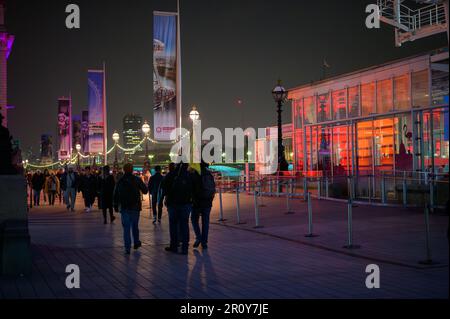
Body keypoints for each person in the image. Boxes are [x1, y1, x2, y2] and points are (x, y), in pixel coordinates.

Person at [161, 163, 199, 255]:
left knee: (173, 225)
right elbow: (195, 189)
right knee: (184, 225)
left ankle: (174, 246)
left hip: (173, 204)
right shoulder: (190, 175)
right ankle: (185, 248)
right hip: (186, 204)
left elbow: (164, 188)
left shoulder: (171, 174)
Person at [114, 163, 148, 255]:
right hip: (135, 207)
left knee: (126, 228)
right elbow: (145, 191)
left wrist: (115, 206)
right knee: (135, 226)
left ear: (124, 170)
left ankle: (127, 248)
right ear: (132, 170)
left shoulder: (120, 180)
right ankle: (136, 242)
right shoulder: (137, 179)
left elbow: (115, 194)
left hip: (124, 207)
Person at [191, 162, 216, 249]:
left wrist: (193, 200)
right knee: (205, 222)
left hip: (197, 203)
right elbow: (213, 188)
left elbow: (192, 189)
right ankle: (204, 242)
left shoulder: (195, 175)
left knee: (194, 220)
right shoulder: (209, 175)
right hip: (208, 202)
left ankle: (198, 237)